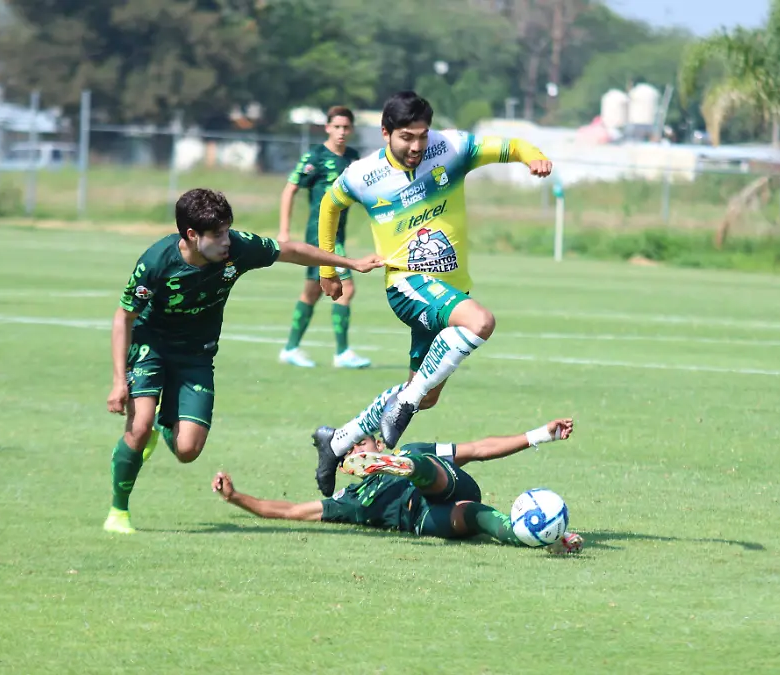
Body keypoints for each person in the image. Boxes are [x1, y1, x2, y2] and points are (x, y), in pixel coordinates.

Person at [310, 90, 554, 496]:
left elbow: (511, 146)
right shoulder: (363, 175)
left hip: (449, 290)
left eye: (422, 135)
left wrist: (534, 157)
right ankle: (404, 403)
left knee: (425, 395)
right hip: (407, 284)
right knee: (480, 322)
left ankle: (337, 441)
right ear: (386, 133)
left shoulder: (451, 148)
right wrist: (327, 269)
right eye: (406, 137)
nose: (417, 146)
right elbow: (329, 205)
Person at [104, 188, 383, 534]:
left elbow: (292, 250)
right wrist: (118, 381)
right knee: (138, 426)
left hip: (196, 353)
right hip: (152, 345)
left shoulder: (237, 248)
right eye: (218, 234)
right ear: (191, 235)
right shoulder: (156, 262)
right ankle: (118, 511)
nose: (227, 240)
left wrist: (349, 264)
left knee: (187, 450)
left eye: (228, 230)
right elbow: (124, 317)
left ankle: (163, 425)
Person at [211, 417, 583, 554]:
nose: (356, 449)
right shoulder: (350, 500)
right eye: (348, 451)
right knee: (475, 515)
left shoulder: (413, 447)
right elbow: (290, 510)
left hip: (445, 480)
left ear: (377, 443)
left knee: (418, 459)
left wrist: (542, 434)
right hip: (429, 519)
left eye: (359, 442)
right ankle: (541, 537)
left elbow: (478, 449)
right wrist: (235, 497)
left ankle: (405, 468)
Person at [277, 106, 370, 370]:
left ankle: (290, 348)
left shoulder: (352, 158)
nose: (341, 132)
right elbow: (290, 189)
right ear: (328, 128)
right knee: (346, 288)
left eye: (346, 127)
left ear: (351, 130)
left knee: (313, 291)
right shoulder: (315, 156)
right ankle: (342, 353)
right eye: (336, 127)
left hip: (338, 233)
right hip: (320, 235)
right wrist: (284, 230)